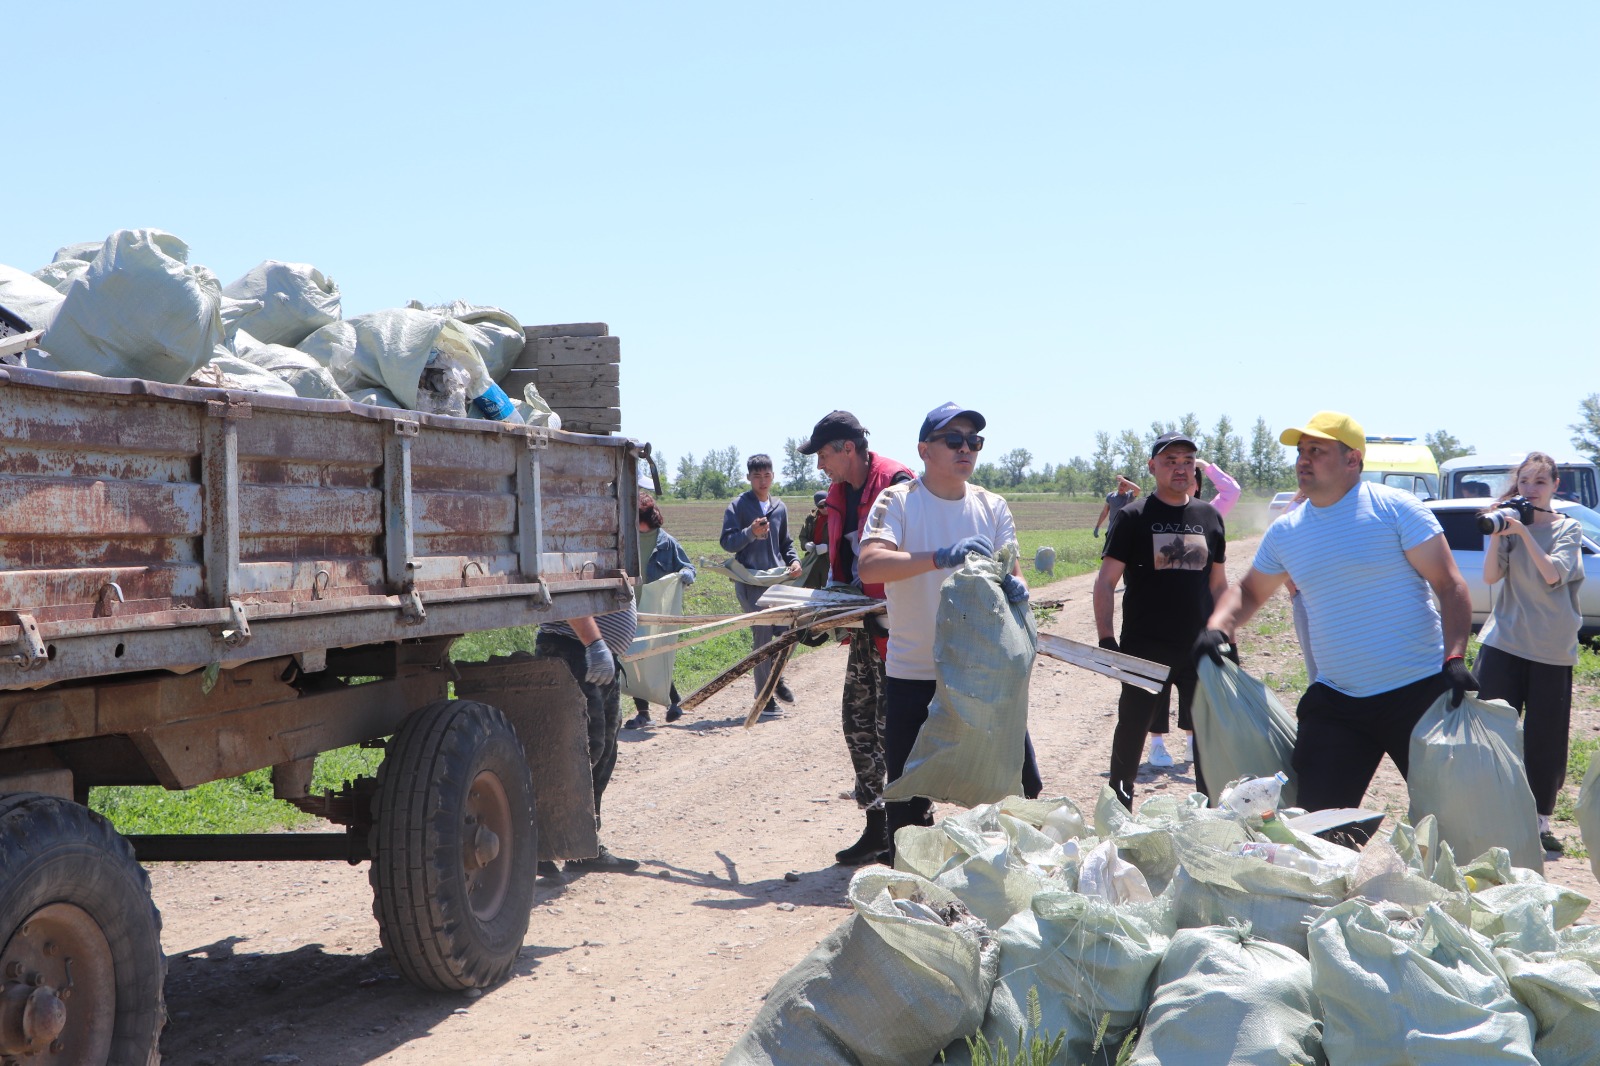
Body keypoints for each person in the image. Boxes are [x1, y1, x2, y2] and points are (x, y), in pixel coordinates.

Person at [1201, 411, 1476, 827]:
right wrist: (1218, 626)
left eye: (1317, 450)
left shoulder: (1394, 508)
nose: (1303, 461)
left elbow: (1450, 584)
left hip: (1418, 695)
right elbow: (1250, 590)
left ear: (1353, 461)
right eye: (1300, 452)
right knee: (1316, 828)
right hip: (1338, 702)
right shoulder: (1287, 531)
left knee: (1453, 822)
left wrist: (1455, 658)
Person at [860, 402, 1039, 863]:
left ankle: (1003, 872)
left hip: (983, 675)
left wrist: (1016, 586)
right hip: (915, 671)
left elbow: (1012, 573)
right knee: (907, 797)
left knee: (1018, 788)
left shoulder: (992, 506)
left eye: (974, 441)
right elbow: (872, 565)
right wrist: (939, 556)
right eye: (953, 440)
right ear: (924, 450)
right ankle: (908, 887)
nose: (966, 449)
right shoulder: (898, 502)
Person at [796, 410, 916, 864]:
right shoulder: (838, 493)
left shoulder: (898, 483)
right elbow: (837, 563)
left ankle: (907, 833)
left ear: (848, 448)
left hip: (901, 630)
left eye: (823, 454)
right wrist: (821, 610)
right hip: (865, 627)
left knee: (895, 731)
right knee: (858, 724)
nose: (820, 464)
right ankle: (876, 825)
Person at [1092, 431, 1227, 808]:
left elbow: (1218, 584)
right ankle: (1119, 809)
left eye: (1187, 461)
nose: (1180, 468)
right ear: (1152, 467)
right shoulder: (1134, 517)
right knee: (1132, 731)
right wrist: (1106, 640)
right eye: (1170, 461)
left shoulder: (1209, 516)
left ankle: (1210, 814)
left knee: (1208, 737)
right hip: (1145, 647)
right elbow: (1105, 582)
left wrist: (1226, 635)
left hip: (1198, 648)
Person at [1476, 451, 1586, 855]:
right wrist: (1496, 534)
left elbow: (1553, 573)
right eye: (1524, 481)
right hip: (1504, 640)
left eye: (1540, 482)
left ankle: (1539, 824)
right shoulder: (1509, 527)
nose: (1530, 490)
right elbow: (1490, 576)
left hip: (1550, 648)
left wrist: (1523, 533)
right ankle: (1488, 815)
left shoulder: (1567, 529)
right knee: (1490, 731)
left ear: (1555, 486)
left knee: (1545, 739)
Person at [1143, 455, 1241, 766]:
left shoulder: (1210, 513)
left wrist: (1205, 465)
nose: (1187, 477)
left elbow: (1232, 491)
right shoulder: (1154, 513)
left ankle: (1191, 740)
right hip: (1159, 612)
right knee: (1158, 682)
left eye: (1192, 474)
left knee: (1196, 681)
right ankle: (1156, 743)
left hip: (1198, 611)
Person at [534, 600, 641, 877]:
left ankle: (582, 845)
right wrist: (594, 643)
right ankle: (536, 844)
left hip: (596, 654)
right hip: (572, 650)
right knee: (572, 752)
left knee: (602, 752)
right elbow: (568, 594)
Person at [719, 454, 802, 716]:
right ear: (749, 478)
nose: (762, 481)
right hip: (750, 582)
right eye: (757, 476)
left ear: (773, 476)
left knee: (789, 630)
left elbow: (785, 543)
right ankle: (764, 696)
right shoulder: (739, 506)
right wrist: (749, 533)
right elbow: (727, 542)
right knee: (764, 637)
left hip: (777, 581)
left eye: (767, 475)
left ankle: (775, 680)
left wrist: (794, 560)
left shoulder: (779, 507)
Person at [625, 492, 695, 729]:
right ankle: (645, 712)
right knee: (634, 660)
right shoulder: (625, 540)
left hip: (655, 612)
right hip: (629, 609)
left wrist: (687, 575)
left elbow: (688, 567)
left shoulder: (667, 543)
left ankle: (674, 702)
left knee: (653, 657)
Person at [1093, 476, 1141, 546]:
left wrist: (1124, 480)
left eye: (1125, 485)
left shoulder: (1130, 496)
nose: (1122, 487)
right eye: (1121, 484)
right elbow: (1104, 512)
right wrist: (1097, 527)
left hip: (1125, 532)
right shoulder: (1110, 496)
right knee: (1108, 555)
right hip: (1111, 531)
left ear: (1128, 487)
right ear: (1118, 484)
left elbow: (1138, 490)